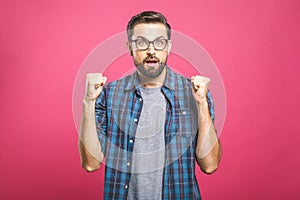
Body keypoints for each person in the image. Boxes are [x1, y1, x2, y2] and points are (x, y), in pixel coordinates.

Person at [78, 11, 222, 200]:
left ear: (168, 47)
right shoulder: (110, 94)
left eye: (159, 42)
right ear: (130, 47)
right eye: (142, 43)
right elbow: (91, 163)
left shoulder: (195, 92)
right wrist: (89, 102)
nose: (151, 50)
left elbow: (210, 165)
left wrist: (202, 103)